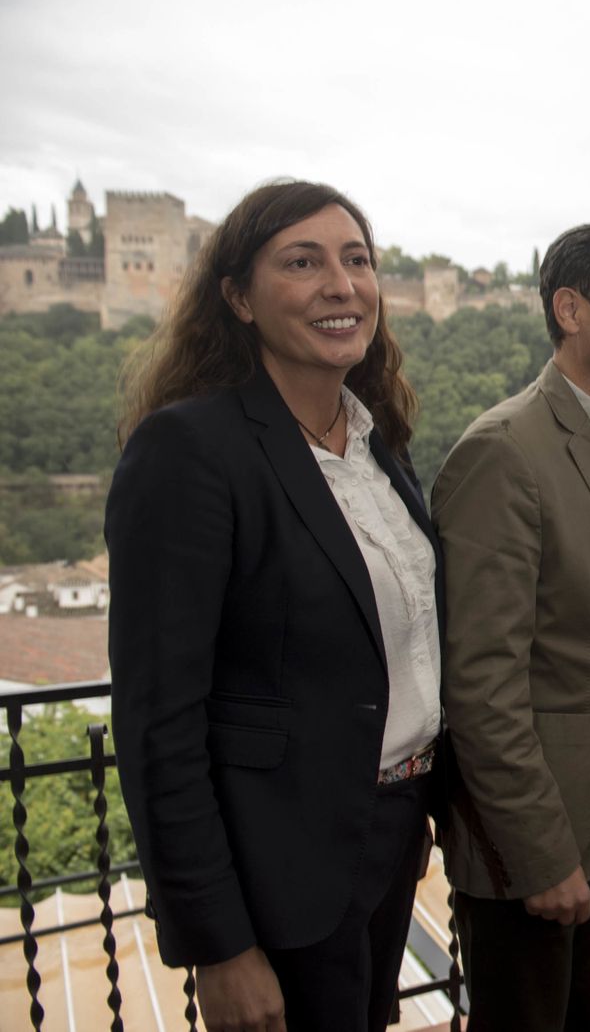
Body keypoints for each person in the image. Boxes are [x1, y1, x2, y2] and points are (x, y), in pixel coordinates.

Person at [108, 180, 440, 1031]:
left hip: (386, 835)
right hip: (278, 873)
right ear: (238, 297)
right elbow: (159, 721)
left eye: (357, 260)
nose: (342, 284)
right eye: (303, 262)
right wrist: (218, 945)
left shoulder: (376, 444)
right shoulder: (191, 450)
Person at [431, 221, 590, 1030]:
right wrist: (541, 854)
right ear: (569, 310)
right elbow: (481, 684)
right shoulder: (503, 452)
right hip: (532, 846)